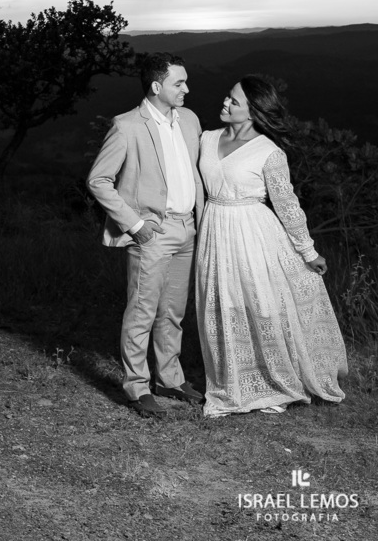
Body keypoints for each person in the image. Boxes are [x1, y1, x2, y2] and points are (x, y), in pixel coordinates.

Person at [196, 75, 347, 417]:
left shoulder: (268, 151)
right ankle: (232, 381)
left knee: (261, 305)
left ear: (253, 110)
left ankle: (276, 380)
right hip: (214, 230)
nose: (225, 103)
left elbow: (288, 205)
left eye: (234, 101)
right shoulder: (206, 139)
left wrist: (308, 252)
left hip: (255, 235)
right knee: (222, 306)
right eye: (227, 97)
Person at [88, 53, 205, 418]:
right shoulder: (127, 126)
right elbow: (98, 180)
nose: (187, 89)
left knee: (172, 312)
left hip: (188, 228)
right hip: (153, 232)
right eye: (179, 83)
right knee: (142, 311)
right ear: (157, 87)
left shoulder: (189, 120)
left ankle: (169, 379)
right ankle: (137, 387)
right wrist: (136, 226)